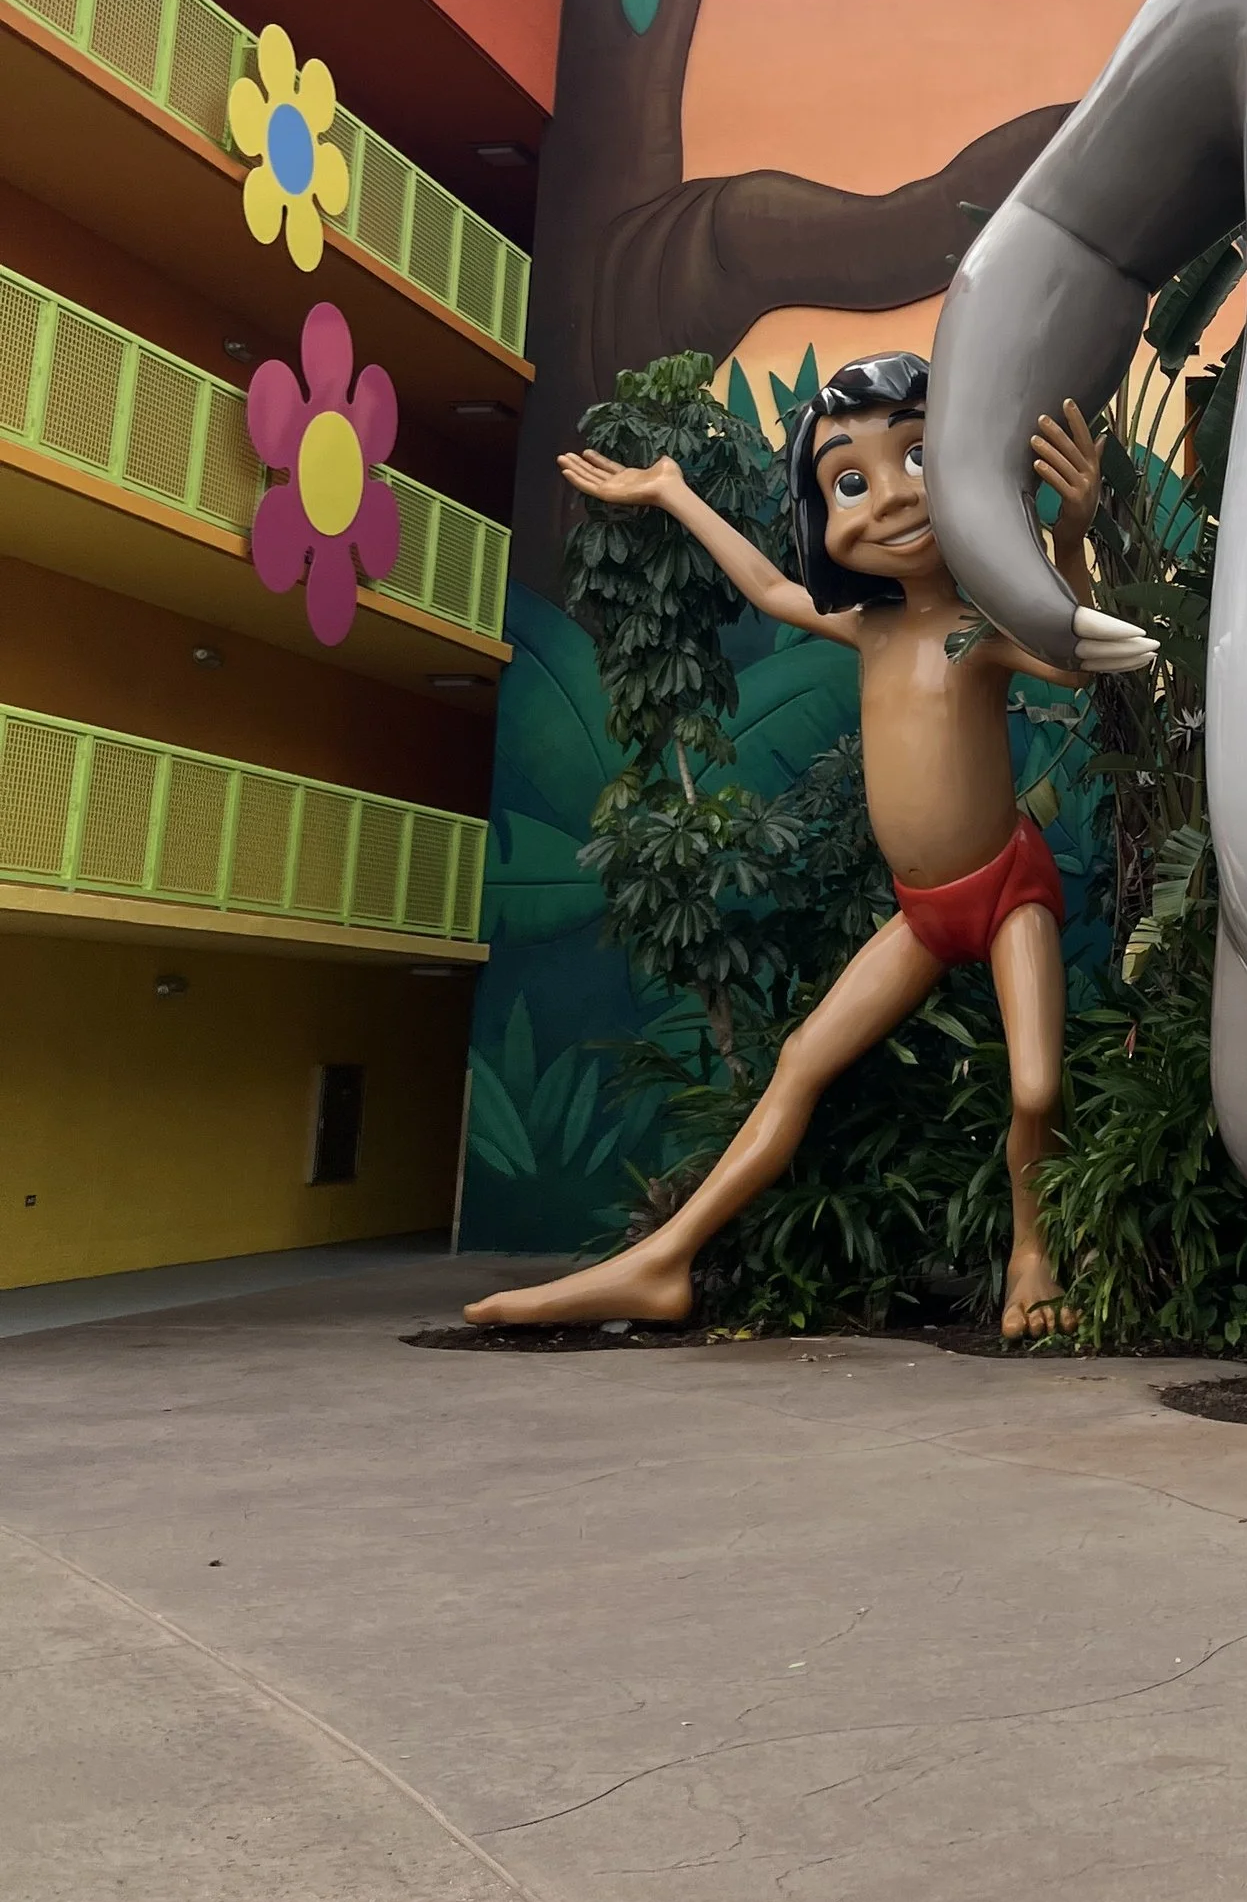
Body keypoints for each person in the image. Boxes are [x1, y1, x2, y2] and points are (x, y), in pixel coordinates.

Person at [463, 352, 1153, 1339]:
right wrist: (672, 492)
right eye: (850, 482)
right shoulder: (870, 630)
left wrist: (1072, 537)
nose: (891, 497)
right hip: (922, 913)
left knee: (1037, 1085)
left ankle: (1034, 1255)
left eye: (918, 456)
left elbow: (1073, 660)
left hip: (1007, 888)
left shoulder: (980, 628)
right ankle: (663, 1261)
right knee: (799, 1063)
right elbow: (765, 584)